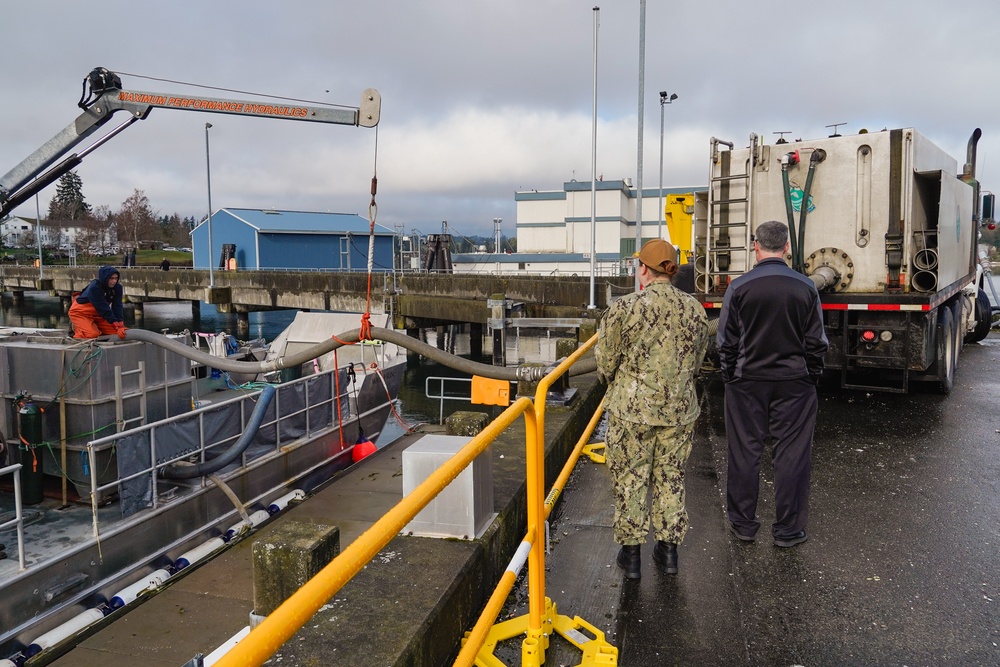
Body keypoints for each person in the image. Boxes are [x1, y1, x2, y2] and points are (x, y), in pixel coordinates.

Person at [596, 239, 709, 579]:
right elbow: (697, 362)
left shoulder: (623, 308)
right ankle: (669, 552)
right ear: (671, 271)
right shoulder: (695, 310)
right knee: (670, 477)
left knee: (630, 479)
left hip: (631, 411)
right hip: (678, 410)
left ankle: (631, 557)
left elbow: (605, 362)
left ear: (643, 269)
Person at [717, 220, 829, 548]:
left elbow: (726, 342)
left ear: (756, 246)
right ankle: (788, 530)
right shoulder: (805, 287)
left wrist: (731, 377)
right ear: (787, 248)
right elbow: (816, 341)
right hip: (794, 383)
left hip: (747, 382)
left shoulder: (739, 288)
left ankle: (743, 526)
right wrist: (811, 375)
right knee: (792, 454)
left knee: (744, 452)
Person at [68, 265, 128, 340]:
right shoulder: (95, 288)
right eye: (111, 278)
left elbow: (117, 306)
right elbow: (103, 308)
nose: (114, 281)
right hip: (80, 313)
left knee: (122, 333)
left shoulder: (118, 288)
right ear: (105, 278)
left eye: (116, 278)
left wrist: (120, 325)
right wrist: (116, 325)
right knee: (92, 334)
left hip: (98, 315)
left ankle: (95, 328)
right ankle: (76, 330)